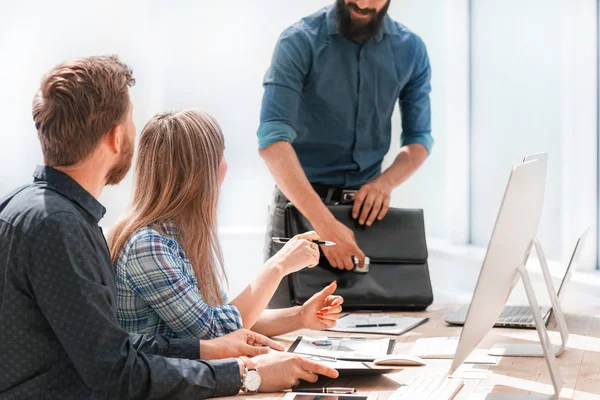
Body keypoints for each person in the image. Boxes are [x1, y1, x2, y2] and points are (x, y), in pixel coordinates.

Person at [0, 55, 338, 399]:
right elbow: (116, 373)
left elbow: (115, 348)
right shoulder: (61, 227)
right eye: (130, 121)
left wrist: (209, 352)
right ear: (116, 137)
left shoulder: (29, 211)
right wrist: (244, 374)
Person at [108, 109, 344, 340]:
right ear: (198, 172)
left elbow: (228, 318)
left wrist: (302, 316)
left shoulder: (179, 236)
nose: (225, 165)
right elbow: (216, 333)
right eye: (220, 155)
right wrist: (279, 265)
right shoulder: (148, 247)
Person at [258, 0, 433, 307]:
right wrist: (325, 228)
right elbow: (273, 142)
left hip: (365, 219)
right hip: (300, 214)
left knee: (376, 336)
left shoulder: (411, 49)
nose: (363, 4)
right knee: (287, 336)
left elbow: (419, 140)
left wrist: (385, 183)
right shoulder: (299, 41)